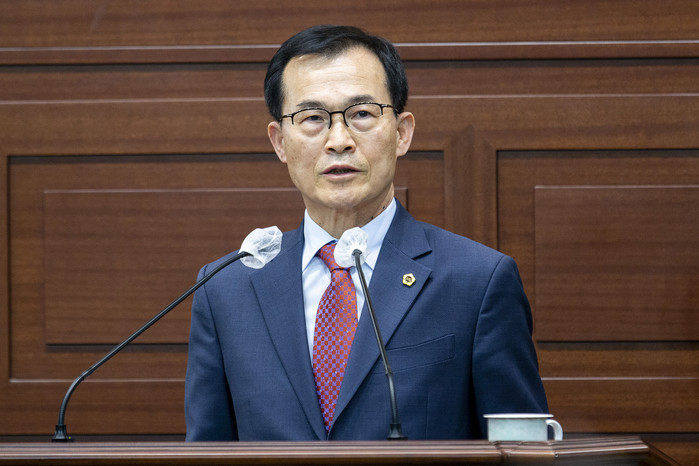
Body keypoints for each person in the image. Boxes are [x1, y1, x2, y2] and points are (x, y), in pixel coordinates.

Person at [184, 24, 548, 441]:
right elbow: (207, 450)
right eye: (312, 118)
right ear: (279, 142)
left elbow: (521, 449)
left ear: (402, 133)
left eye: (361, 114)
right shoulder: (225, 289)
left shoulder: (477, 281)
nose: (339, 141)